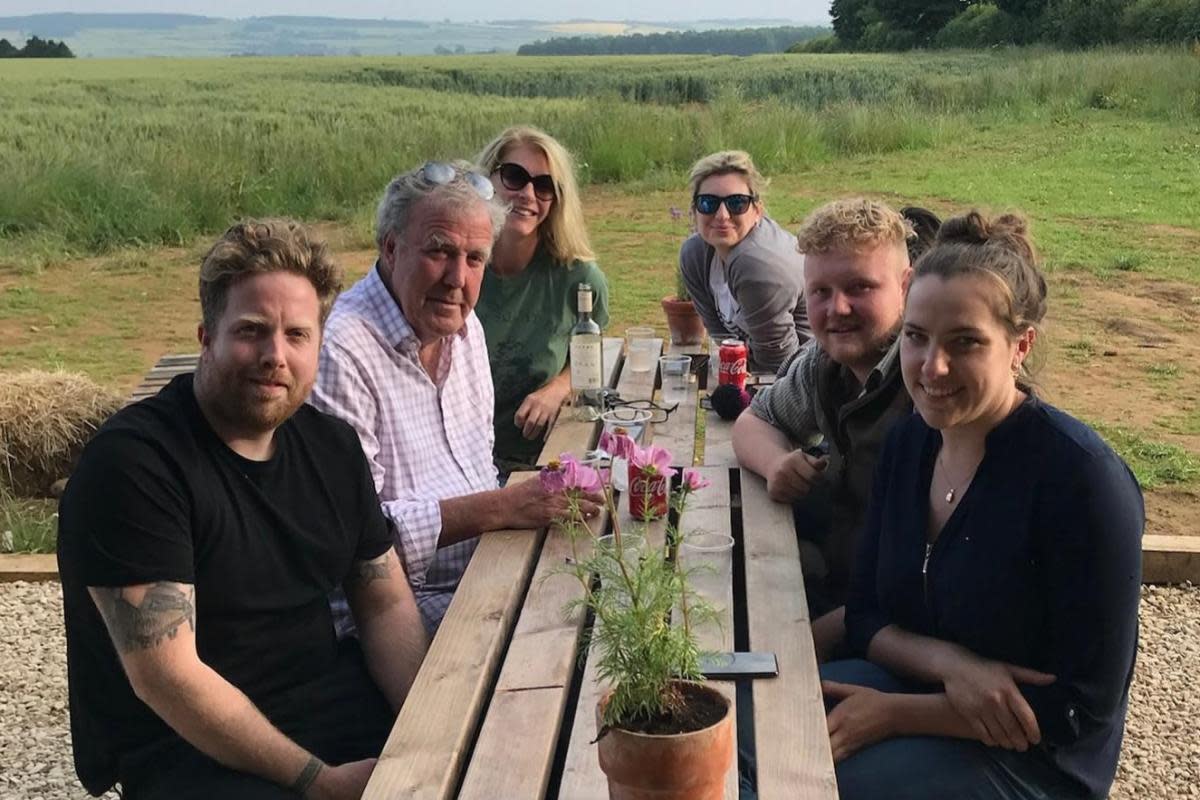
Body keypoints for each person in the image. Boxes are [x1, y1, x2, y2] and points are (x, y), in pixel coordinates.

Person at [57, 219, 428, 800]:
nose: (275, 356)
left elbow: (383, 602)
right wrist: (321, 783)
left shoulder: (332, 446)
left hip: (326, 704)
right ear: (206, 336)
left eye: (297, 335)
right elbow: (167, 678)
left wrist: (432, 727)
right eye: (252, 331)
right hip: (188, 748)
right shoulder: (134, 467)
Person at [821, 211, 1142, 800]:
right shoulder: (909, 442)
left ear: (1020, 345)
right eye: (916, 337)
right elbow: (866, 614)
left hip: (1032, 759)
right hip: (910, 686)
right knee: (749, 726)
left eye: (964, 342)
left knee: (798, 779)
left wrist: (897, 715)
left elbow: (1079, 710)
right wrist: (953, 667)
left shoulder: (1081, 482)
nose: (931, 368)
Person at [310, 161, 601, 634]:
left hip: (482, 568)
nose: (456, 278)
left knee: (608, 578)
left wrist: (521, 508)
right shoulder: (341, 350)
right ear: (390, 248)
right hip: (392, 612)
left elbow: (477, 470)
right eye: (439, 252)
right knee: (573, 634)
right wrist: (505, 506)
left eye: (474, 259)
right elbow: (356, 542)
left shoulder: (464, 330)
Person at [732, 198, 913, 658]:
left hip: (901, 627)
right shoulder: (823, 363)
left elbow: (917, 577)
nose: (839, 308)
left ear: (906, 288)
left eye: (860, 287)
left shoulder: (926, 383)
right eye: (820, 291)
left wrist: (802, 649)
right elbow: (753, 421)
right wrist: (776, 464)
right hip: (845, 588)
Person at [473, 125, 610, 472]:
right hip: (461, 459)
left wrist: (559, 387)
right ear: (486, 180)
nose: (529, 194)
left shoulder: (578, 279)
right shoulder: (459, 269)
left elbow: (590, 352)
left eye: (545, 185)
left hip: (540, 459)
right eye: (515, 177)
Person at [678, 150, 809, 373]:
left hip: (810, 382)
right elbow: (722, 340)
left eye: (736, 203)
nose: (722, 215)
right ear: (694, 211)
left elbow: (777, 362)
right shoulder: (696, 255)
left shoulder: (756, 264)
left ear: (757, 211)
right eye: (708, 203)